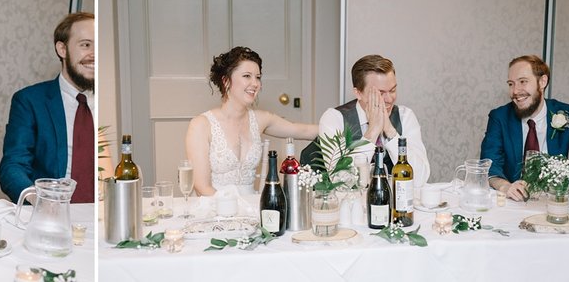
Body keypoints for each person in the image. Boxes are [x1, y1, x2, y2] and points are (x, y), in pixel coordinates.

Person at [185, 46, 318, 196]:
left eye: (258, 77)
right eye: (247, 76)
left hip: (252, 207)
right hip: (216, 209)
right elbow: (202, 187)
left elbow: (303, 131)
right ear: (226, 81)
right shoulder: (201, 125)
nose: (255, 83)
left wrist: (344, 125)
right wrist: (233, 209)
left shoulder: (261, 119)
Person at [0, 12, 95, 203]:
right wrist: (40, 201)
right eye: (86, 45)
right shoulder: (29, 101)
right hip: (52, 213)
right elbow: (12, 167)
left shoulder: (114, 105)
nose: (94, 54)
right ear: (62, 49)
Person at [481, 55, 569, 201]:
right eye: (511, 84)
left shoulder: (568, 114)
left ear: (542, 82)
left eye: (523, 82)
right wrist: (505, 186)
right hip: (515, 201)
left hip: (555, 200)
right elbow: (489, 164)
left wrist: (561, 184)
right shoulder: (499, 117)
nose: (515, 91)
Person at [313, 55, 431, 188]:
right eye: (380, 93)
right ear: (358, 93)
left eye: (392, 90)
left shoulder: (405, 116)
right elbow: (341, 183)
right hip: (354, 207)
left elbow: (420, 179)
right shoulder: (334, 118)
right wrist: (372, 133)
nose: (389, 99)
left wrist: (391, 132)